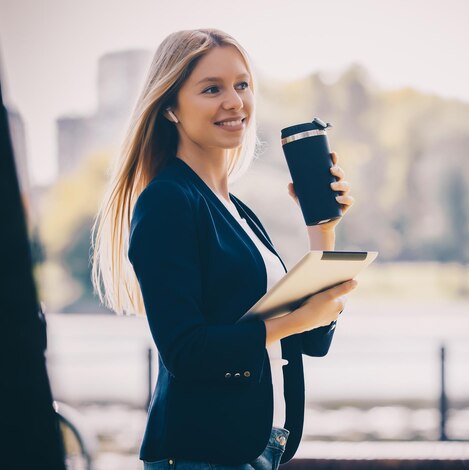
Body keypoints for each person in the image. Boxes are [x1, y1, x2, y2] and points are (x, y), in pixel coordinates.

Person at [91, 28, 357, 469]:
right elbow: (186, 351)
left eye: (242, 85)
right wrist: (293, 321)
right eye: (212, 89)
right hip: (200, 455)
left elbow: (312, 338)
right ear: (171, 108)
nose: (234, 101)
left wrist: (322, 230)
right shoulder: (167, 201)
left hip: (259, 448)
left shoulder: (236, 211)